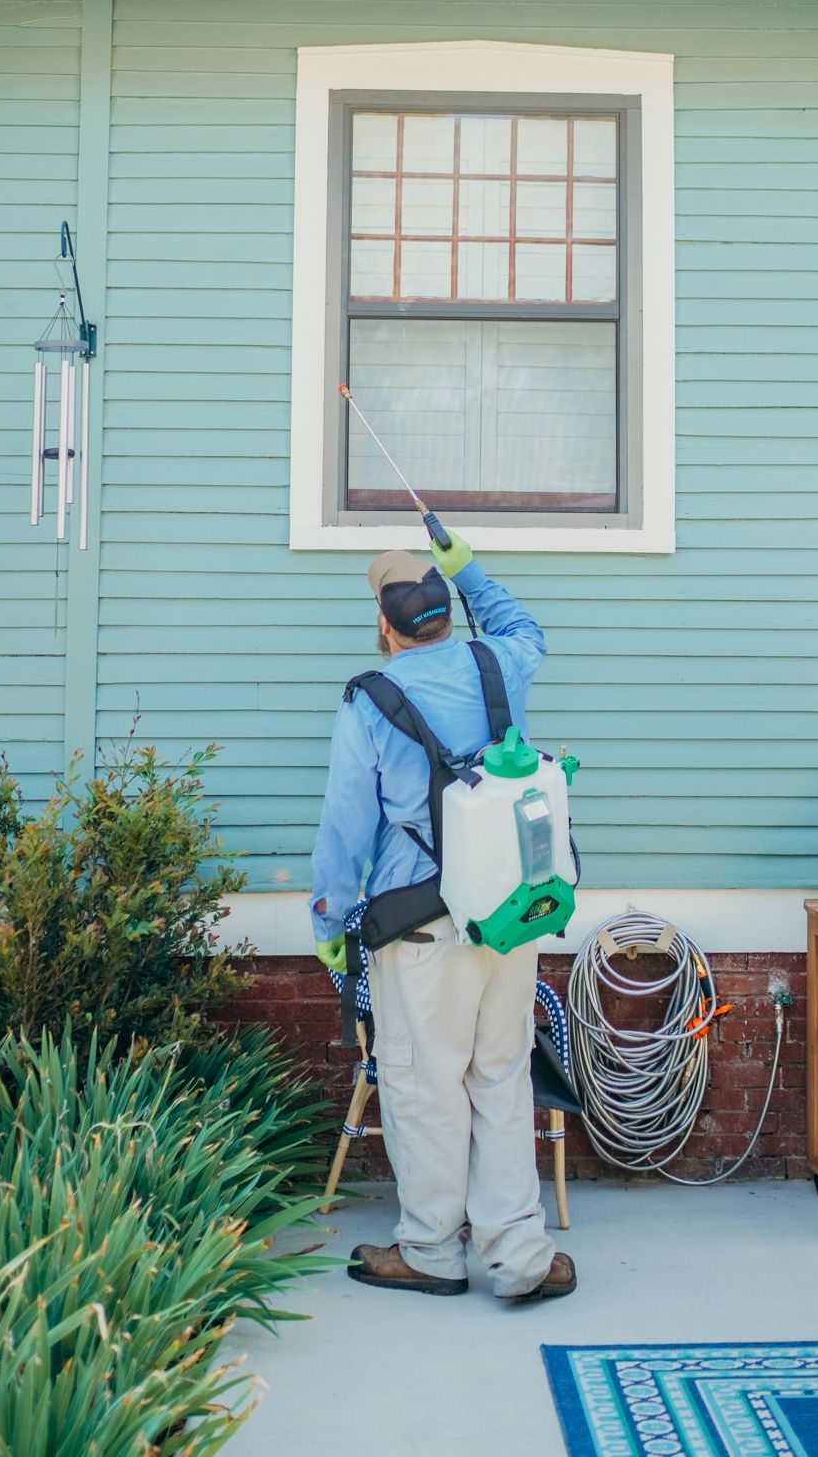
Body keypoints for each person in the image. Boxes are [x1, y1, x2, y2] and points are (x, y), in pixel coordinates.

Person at [310, 528, 577, 1304]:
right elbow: (522, 626)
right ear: (447, 616)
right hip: (508, 915)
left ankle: (429, 1250)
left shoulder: (371, 700)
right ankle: (518, 1255)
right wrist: (469, 569)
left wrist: (330, 928)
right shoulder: (499, 662)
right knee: (498, 1078)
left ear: (386, 628)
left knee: (426, 1086)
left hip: (419, 927)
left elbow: (344, 828)